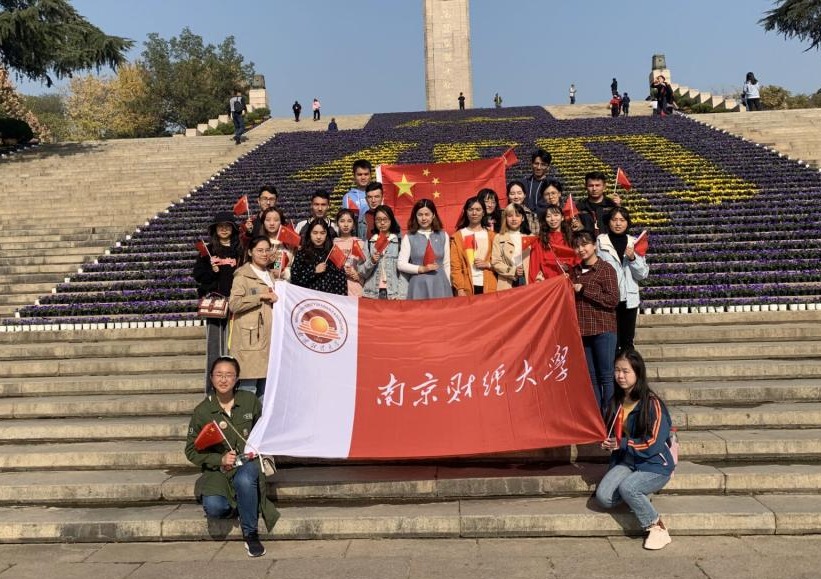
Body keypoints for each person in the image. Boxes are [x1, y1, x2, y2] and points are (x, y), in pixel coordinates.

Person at [185, 356, 279, 558]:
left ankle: (251, 534)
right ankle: (243, 503)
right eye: (219, 374)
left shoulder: (249, 401)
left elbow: (264, 430)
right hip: (219, 470)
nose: (223, 379)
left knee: (244, 479)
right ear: (211, 378)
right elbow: (191, 450)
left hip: (248, 463)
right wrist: (218, 460)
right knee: (214, 508)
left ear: (237, 379)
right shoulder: (202, 411)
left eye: (229, 375)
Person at [596, 349, 675, 551]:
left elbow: (654, 443)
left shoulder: (652, 403)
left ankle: (657, 527)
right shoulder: (616, 401)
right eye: (617, 370)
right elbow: (613, 434)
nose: (620, 376)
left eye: (626, 371)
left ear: (638, 373)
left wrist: (622, 444)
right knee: (603, 497)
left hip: (655, 464)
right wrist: (607, 442)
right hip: (628, 461)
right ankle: (639, 494)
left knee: (628, 488)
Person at [570, 230, 619, 415]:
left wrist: (584, 290)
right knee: (591, 378)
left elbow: (612, 300)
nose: (581, 249)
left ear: (594, 245)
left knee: (606, 376)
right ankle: (598, 417)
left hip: (603, 330)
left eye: (585, 244)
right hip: (583, 332)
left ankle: (610, 417)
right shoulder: (574, 271)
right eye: (577, 246)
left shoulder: (606, 269)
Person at [193, 212, 241, 393]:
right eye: (220, 226)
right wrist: (211, 271)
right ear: (215, 229)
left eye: (228, 226)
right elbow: (198, 275)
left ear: (233, 229)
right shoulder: (208, 250)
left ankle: (234, 388)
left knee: (234, 347)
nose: (224, 229)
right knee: (215, 347)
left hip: (236, 304)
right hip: (216, 304)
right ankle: (212, 391)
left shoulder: (240, 250)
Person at [229, 237, 278, 399]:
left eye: (267, 250)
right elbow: (234, 304)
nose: (264, 254)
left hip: (269, 339)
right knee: (248, 390)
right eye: (260, 250)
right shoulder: (242, 276)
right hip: (250, 339)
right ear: (250, 252)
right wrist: (260, 296)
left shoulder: (270, 275)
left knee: (266, 392)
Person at [597, 208, 648, 354]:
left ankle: (628, 368)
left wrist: (633, 258)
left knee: (627, 342)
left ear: (627, 222)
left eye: (622, 220)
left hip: (629, 300)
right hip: (608, 299)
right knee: (611, 341)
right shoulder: (601, 242)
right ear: (608, 222)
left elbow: (642, 274)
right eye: (614, 220)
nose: (618, 224)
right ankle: (612, 368)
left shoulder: (634, 242)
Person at [398, 199, 451, 299]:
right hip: (418, 286)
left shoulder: (443, 235)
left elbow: (446, 263)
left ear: (433, 215)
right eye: (420, 215)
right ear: (415, 216)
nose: (423, 218)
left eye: (427, 214)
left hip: (440, 285)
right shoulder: (409, 237)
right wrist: (421, 269)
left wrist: (448, 285)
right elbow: (401, 264)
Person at [451, 196, 497, 296]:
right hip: (466, 288)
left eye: (478, 209)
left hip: (489, 286)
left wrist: (488, 264)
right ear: (466, 212)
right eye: (471, 209)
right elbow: (455, 267)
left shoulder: (492, 236)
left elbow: (500, 263)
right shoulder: (457, 236)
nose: (474, 213)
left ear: (483, 212)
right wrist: (460, 288)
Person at [359, 205, 407, 300]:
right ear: (374, 221)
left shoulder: (399, 243)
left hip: (394, 294)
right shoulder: (369, 243)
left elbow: (404, 273)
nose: (382, 223)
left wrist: (401, 295)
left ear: (391, 220)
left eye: (385, 219)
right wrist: (372, 261)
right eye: (378, 220)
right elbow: (361, 272)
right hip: (371, 294)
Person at [291, 219, 348, 295]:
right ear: (309, 233)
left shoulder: (333, 253)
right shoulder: (302, 253)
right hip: (307, 298)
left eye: (322, 233)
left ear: (327, 234)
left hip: (328, 299)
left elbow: (341, 282)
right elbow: (295, 279)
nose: (318, 237)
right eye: (315, 233)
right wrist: (314, 271)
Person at [529, 204, 578, 282]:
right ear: (545, 219)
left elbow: (577, 261)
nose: (552, 219)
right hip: (548, 284)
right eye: (548, 216)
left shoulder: (571, 238)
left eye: (556, 215)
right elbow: (534, 268)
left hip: (568, 281)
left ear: (562, 217)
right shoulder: (539, 241)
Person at [491, 203, 533, 291]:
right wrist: (513, 271)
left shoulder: (531, 237)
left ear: (523, 218)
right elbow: (495, 262)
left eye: (517, 216)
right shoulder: (499, 237)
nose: (514, 219)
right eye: (510, 216)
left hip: (528, 281)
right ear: (505, 218)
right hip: (507, 281)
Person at [251, 207, 293, 281]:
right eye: (268, 220)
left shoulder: (290, 243)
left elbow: (297, 267)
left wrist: (284, 273)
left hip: (286, 284)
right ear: (263, 222)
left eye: (276, 220)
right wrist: (268, 262)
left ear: (281, 222)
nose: (272, 223)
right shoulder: (257, 242)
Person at [577, 171, 620, 236]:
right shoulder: (579, 207)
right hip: (587, 241)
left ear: (604, 186)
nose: (594, 189)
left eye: (597, 185)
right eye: (591, 186)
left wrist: (619, 207)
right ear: (586, 186)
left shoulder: (612, 205)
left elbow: (623, 225)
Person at [334, 209, 365, 297]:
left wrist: (359, 276)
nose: (346, 225)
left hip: (357, 291)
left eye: (349, 221)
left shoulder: (360, 244)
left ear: (354, 224)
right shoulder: (333, 244)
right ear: (337, 223)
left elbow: (366, 269)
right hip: (337, 291)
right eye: (342, 221)